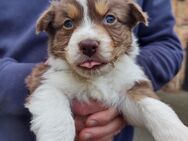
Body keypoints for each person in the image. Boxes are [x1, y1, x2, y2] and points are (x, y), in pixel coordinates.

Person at [0, 0, 183, 141]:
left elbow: (165, 43)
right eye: (68, 24)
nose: (88, 40)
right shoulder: (55, 79)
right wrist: (16, 82)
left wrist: (122, 86)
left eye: (110, 19)